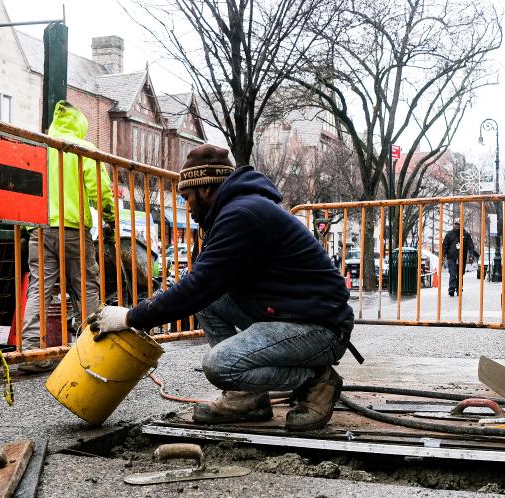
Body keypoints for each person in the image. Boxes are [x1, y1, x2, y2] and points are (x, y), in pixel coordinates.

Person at [87, 144, 355, 432]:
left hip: (319, 328)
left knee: (219, 365)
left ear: (205, 189)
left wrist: (130, 318)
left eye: (187, 196)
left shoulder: (242, 215)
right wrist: (141, 314)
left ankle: (317, 380)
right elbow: (200, 286)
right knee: (209, 301)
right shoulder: (232, 212)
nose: (187, 206)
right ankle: (246, 396)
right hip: (289, 314)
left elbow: (198, 285)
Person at [19, 101, 116, 372]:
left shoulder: (40, 146)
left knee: (39, 288)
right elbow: (100, 190)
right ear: (80, 125)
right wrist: (109, 217)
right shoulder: (84, 149)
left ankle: (30, 352)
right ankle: (93, 347)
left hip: (39, 228)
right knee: (85, 286)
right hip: (72, 228)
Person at [442, 221, 478, 297]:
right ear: (454, 225)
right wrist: (443, 255)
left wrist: (471, 255)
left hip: (462, 257)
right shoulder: (449, 234)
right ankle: (451, 288)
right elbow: (445, 245)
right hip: (452, 257)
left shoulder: (466, 234)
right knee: (453, 273)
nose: (457, 226)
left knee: (460, 274)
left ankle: (459, 288)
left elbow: (470, 246)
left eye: (458, 224)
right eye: (456, 224)